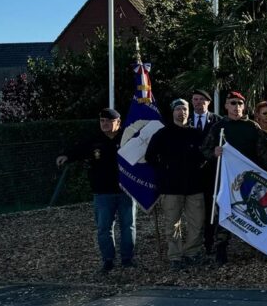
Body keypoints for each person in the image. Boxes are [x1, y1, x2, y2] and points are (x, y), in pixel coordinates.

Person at [204, 91, 267, 265]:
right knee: (225, 211)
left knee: (252, 212)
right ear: (226, 106)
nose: (236, 107)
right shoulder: (218, 128)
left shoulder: (252, 127)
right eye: (233, 103)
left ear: (244, 107)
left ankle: (260, 247)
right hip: (226, 180)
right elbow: (204, 150)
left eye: (240, 104)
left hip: (249, 181)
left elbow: (264, 155)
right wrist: (213, 153)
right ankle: (221, 250)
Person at [56, 108, 134, 274]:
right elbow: (78, 150)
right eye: (102, 121)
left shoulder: (128, 138)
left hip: (126, 191)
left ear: (118, 123)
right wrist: (66, 156)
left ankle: (127, 259)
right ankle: (108, 260)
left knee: (128, 227)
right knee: (104, 228)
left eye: (109, 121)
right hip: (103, 192)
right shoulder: (94, 141)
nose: (105, 124)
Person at [146, 99, 206, 271]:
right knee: (172, 224)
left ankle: (191, 253)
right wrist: (165, 171)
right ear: (172, 112)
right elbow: (150, 157)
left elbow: (204, 156)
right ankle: (175, 257)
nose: (182, 112)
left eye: (185, 109)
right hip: (171, 188)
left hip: (194, 186)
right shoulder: (162, 134)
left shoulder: (197, 134)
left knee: (197, 222)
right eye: (178, 109)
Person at [188, 88, 221, 254]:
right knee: (192, 211)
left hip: (211, 173)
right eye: (195, 99)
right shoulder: (185, 120)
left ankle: (209, 242)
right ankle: (191, 245)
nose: (198, 102)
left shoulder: (217, 121)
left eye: (202, 99)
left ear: (208, 102)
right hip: (190, 174)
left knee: (210, 209)